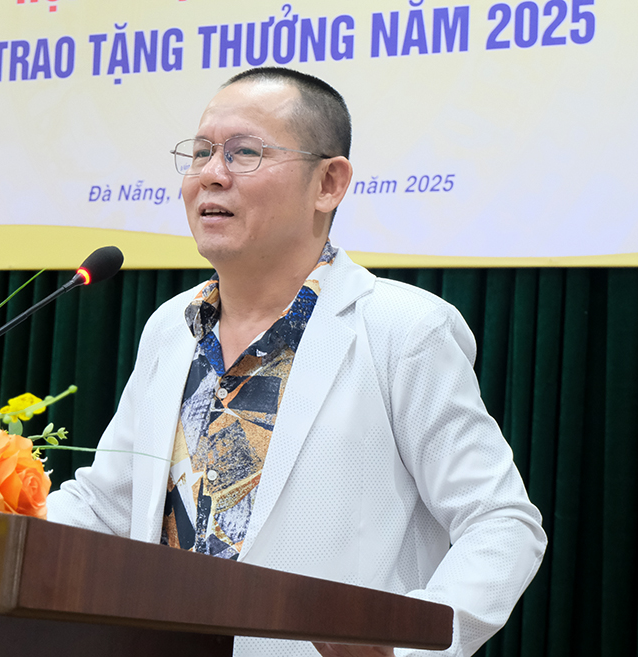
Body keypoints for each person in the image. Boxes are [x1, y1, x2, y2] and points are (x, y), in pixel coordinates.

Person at [47, 66, 546, 657]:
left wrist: (410, 646)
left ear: (329, 183)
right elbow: (107, 506)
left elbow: (500, 521)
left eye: (245, 153)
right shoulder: (171, 327)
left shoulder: (405, 330)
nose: (211, 175)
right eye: (201, 152)